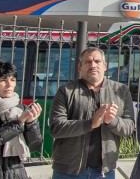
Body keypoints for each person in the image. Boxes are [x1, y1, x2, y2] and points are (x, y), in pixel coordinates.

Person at [50, 47, 135, 179]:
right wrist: (90, 124)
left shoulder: (121, 91)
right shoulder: (66, 91)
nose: (93, 65)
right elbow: (56, 127)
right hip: (68, 171)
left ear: (105, 66)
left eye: (97, 61)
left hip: (104, 172)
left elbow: (129, 128)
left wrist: (111, 121)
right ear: (80, 67)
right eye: (88, 62)